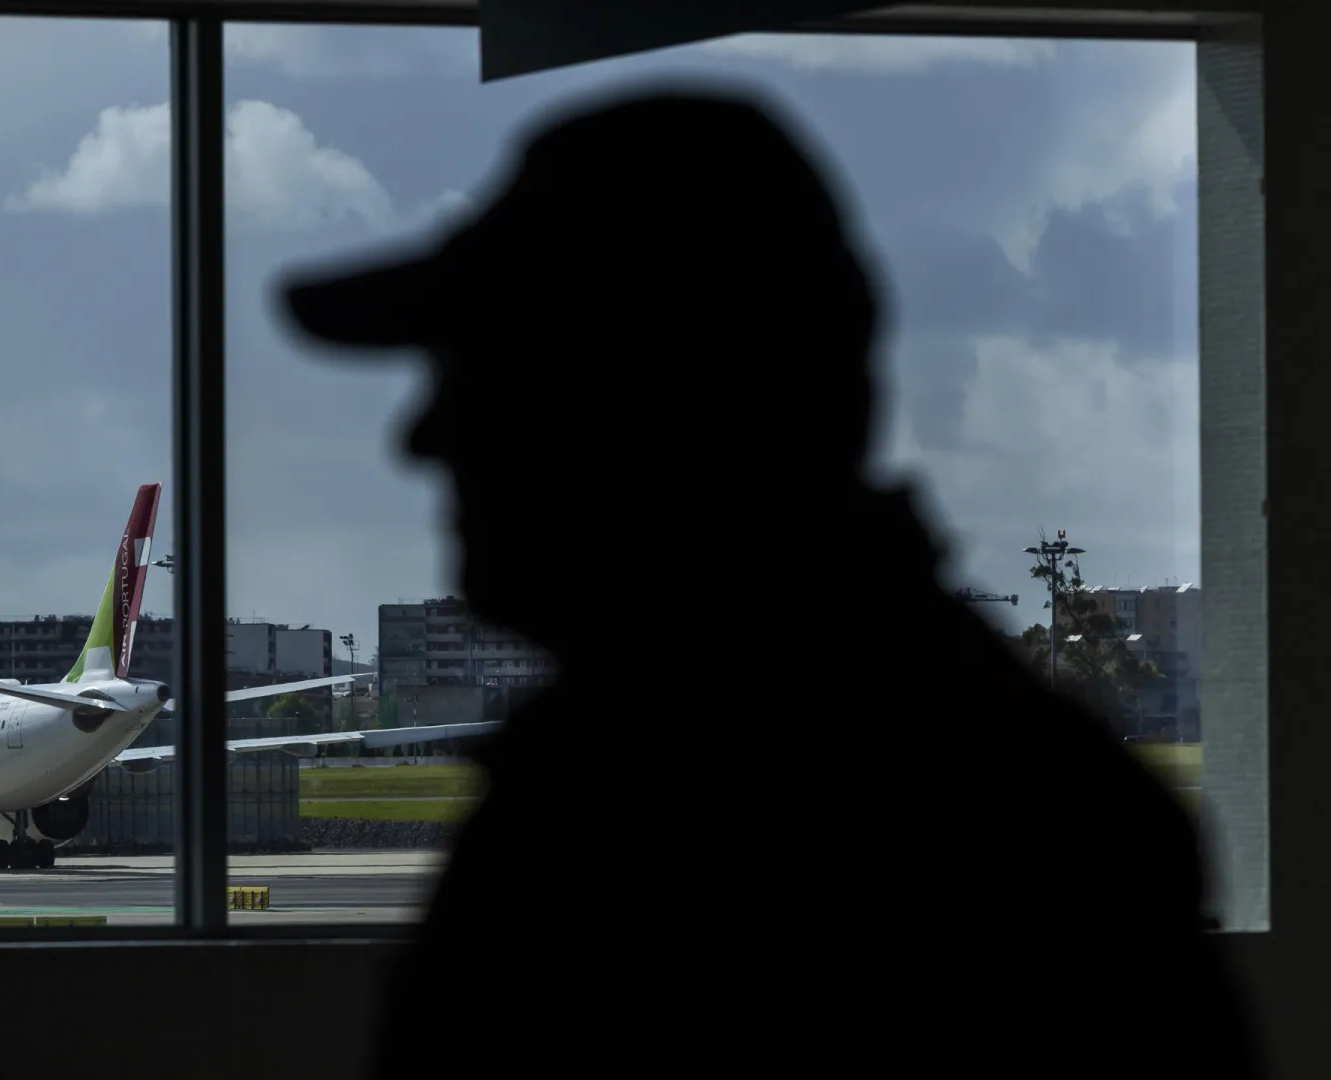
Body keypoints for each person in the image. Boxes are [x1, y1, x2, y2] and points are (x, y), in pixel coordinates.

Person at [275, 84, 1260, 1078]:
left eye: (496, 370)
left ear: (685, 393)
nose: (422, 436)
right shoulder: (995, 803)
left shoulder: (695, 817)